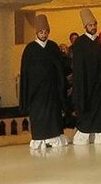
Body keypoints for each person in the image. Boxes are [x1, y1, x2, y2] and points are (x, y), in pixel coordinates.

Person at [19, 14, 69, 150]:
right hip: (36, 93)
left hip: (52, 90)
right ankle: (41, 139)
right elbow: (25, 74)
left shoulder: (53, 47)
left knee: (53, 115)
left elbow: (59, 69)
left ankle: (54, 137)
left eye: (46, 32)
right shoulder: (29, 49)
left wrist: (60, 88)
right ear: (37, 33)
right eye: (41, 32)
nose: (44, 34)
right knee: (39, 117)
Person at [71, 9, 101, 145]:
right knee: (88, 113)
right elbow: (78, 69)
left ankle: (100, 132)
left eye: (94, 24)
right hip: (87, 86)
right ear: (85, 27)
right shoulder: (79, 44)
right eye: (90, 25)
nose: (93, 27)